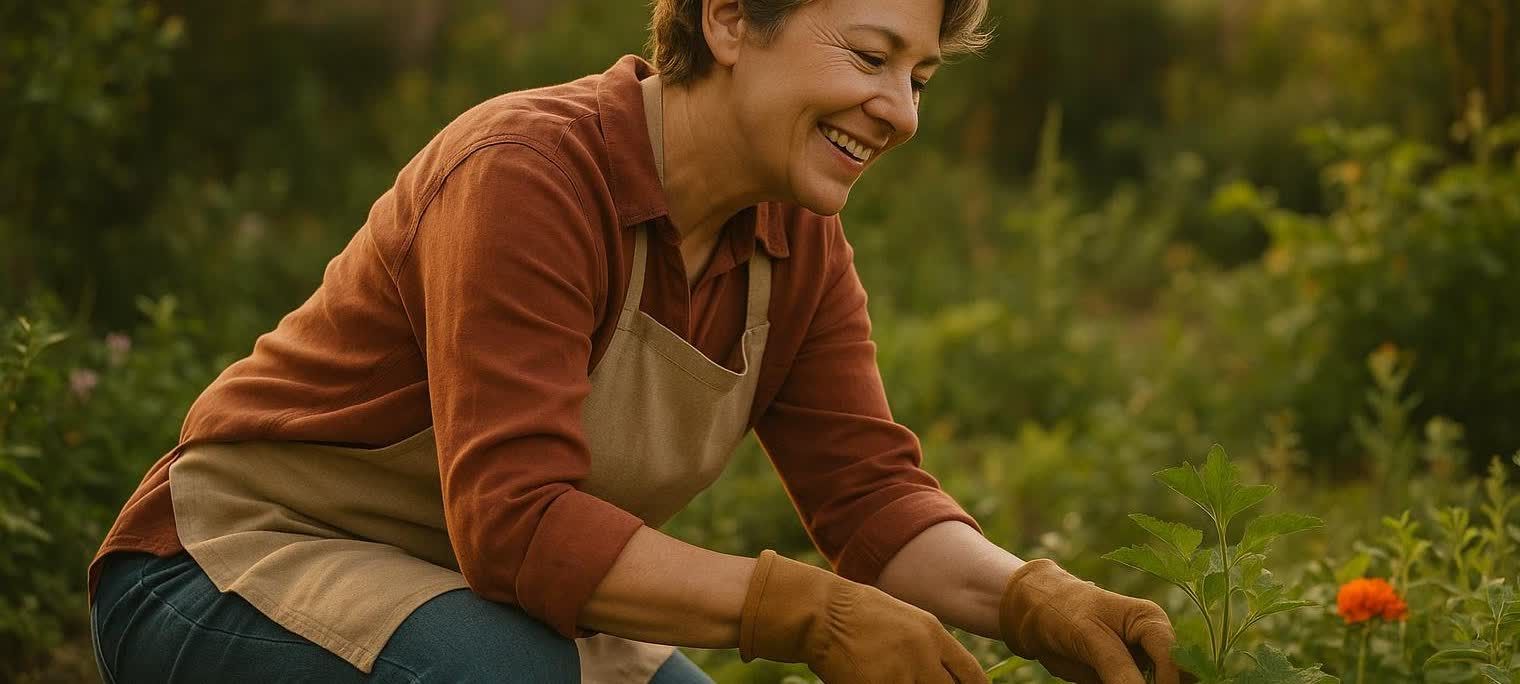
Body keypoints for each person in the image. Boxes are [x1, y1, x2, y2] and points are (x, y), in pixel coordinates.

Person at [88, 0, 1182, 682]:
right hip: (232, 567)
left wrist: (1035, 600)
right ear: (726, 20)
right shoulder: (527, 173)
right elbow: (515, 525)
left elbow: (871, 500)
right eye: (869, 55)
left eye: (919, 76)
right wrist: (805, 613)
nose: (898, 109)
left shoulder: (794, 246)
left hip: (467, 596)